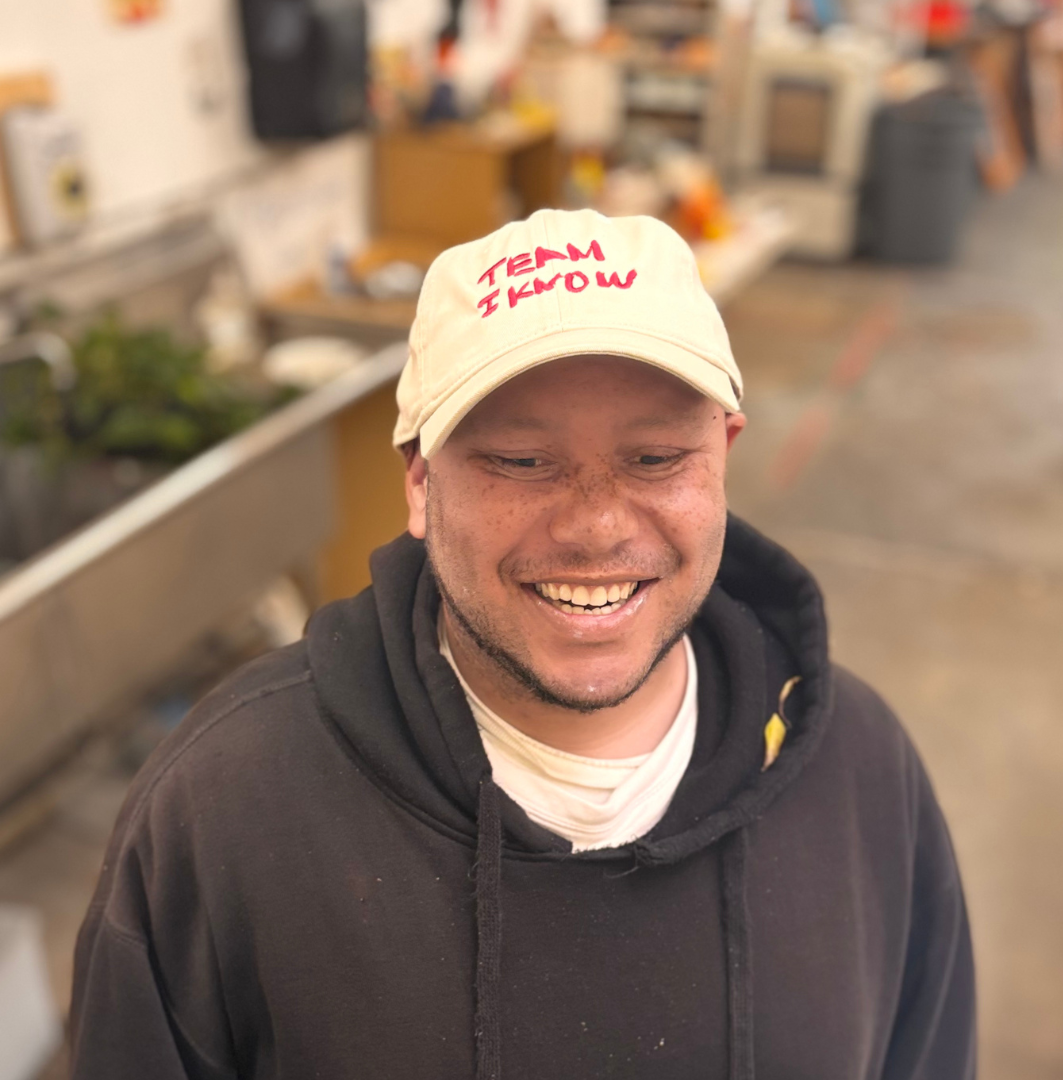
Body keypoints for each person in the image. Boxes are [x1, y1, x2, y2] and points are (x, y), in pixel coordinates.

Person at [70, 209, 976, 1079]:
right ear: (421, 484)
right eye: (521, 460)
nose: (594, 527)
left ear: (722, 455)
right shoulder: (225, 815)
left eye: (655, 458)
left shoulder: (858, 774)